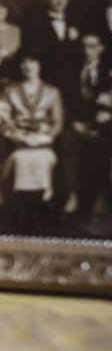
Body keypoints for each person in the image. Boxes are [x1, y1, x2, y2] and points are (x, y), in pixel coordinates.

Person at [0, 53, 63, 219]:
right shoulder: (10, 90)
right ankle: (21, 204)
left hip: (43, 139)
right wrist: (18, 136)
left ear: (40, 65)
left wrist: (46, 136)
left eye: (32, 62)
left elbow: (57, 123)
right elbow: (4, 120)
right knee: (21, 158)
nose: (28, 66)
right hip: (19, 138)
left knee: (44, 157)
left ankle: (39, 204)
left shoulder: (52, 91)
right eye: (24, 62)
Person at [55, 33, 112, 216]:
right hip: (77, 123)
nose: (88, 51)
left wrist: (100, 123)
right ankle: (71, 195)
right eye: (85, 46)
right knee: (66, 141)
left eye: (93, 46)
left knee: (104, 144)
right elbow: (63, 102)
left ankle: (99, 197)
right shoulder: (70, 71)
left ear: (101, 49)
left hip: (104, 126)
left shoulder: (108, 73)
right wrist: (75, 122)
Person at [22, 0, 82, 100]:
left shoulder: (76, 21)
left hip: (71, 81)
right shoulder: (34, 23)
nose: (60, 2)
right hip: (45, 79)